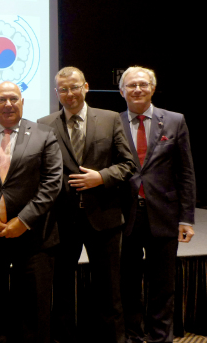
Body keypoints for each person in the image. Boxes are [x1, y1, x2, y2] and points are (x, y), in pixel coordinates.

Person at [38, 66, 136, 343]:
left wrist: (101, 177)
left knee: (109, 289)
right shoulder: (44, 124)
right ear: (57, 92)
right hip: (61, 220)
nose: (70, 94)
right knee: (62, 288)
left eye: (75, 87)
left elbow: (128, 164)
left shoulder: (110, 119)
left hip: (103, 217)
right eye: (63, 89)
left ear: (86, 86)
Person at [0, 81, 63, 343]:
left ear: (22, 102)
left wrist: (23, 221)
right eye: (1, 100)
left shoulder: (44, 134)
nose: (8, 104)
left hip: (35, 237)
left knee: (34, 305)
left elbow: (52, 183)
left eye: (13, 99)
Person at [118, 66, 195, 343]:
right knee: (127, 282)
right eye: (131, 85)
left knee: (163, 284)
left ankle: (160, 337)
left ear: (152, 87)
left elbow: (185, 173)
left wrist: (186, 219)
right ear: (121, 91)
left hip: (164, 214)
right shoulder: (112, 123)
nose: (137, 89)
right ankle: (133, 335)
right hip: (125, 216)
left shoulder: (175, 121)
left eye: (142, 84)